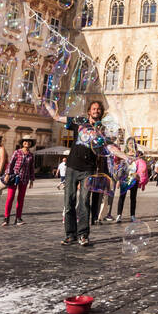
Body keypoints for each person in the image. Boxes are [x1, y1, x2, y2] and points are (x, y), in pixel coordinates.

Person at [48, 100, 114, 246]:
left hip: (88, 169)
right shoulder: (80, 122)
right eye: (93, 108)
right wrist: (47, 105)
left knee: (84, 202)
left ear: (101, 112)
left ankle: (83, 235)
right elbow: (57, 118)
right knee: (69, 202)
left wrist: (127, 156)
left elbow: (110, 147)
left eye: (98, 109)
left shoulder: (102, 129)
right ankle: (70, 234)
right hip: (72, 167)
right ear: (89, 111)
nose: (96, 110)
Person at [1, 137, 34, 226]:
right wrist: (7, 174)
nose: (27, 142)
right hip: (14, 177)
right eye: (25, 141)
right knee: (10, 198)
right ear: (22, 142)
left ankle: (18, 218)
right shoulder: (17, 152)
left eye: (29, 141)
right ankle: (6, 218)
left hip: (25, 178)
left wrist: (32, 180)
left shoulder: (31, 155)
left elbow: (31, 168)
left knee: (21, 199)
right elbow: (11, 164)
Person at [116, 138, 145, 222]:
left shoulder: (137, 156)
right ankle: (119, 215)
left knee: (133, 198)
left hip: (134, 178)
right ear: (127, 145)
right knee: (122, 197)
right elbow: (121, 168)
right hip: (125, 178)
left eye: (132, 143)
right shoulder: (124, 155)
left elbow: (141, 168)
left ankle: (132, 215)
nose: (131, 145)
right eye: (129, 143)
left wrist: (139, 176)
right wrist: (118, 179)